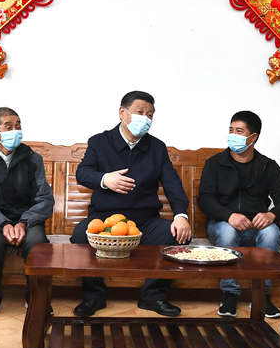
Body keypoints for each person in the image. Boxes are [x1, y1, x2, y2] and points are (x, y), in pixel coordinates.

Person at [70, 91, 192, 317]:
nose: (145, 118)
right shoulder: (99, 142)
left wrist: (181, 216)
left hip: (145, 222)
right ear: (122, 112)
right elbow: (83, 173)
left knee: (179, 235)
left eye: (150, 115)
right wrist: (105, 179)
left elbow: (173, 183)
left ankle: (153, 295)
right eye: (139, 112)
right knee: (80, 235)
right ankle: (94, 296)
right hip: (106, 221)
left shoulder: (157, 147)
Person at [197, 110, 280, 318]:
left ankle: (261, 294)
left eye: (239, 131)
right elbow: (205, 199)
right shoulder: (215, 163)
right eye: (231, 130)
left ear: (253, 137)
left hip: (255, 228)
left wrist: (271, 215)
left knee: (271, 232)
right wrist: (228, 215)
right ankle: (229, 293)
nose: (233, 135)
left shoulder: (268, 166)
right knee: (228, 231)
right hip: (221, 225)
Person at [0, 107, 54, 319]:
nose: (15, 131)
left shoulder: (33, 159)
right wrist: (3, 223)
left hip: (28, 219)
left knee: (37, 242)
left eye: (18, 126)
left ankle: (35, 295)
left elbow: (45, 199)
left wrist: (24, 222)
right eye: (8, 127)